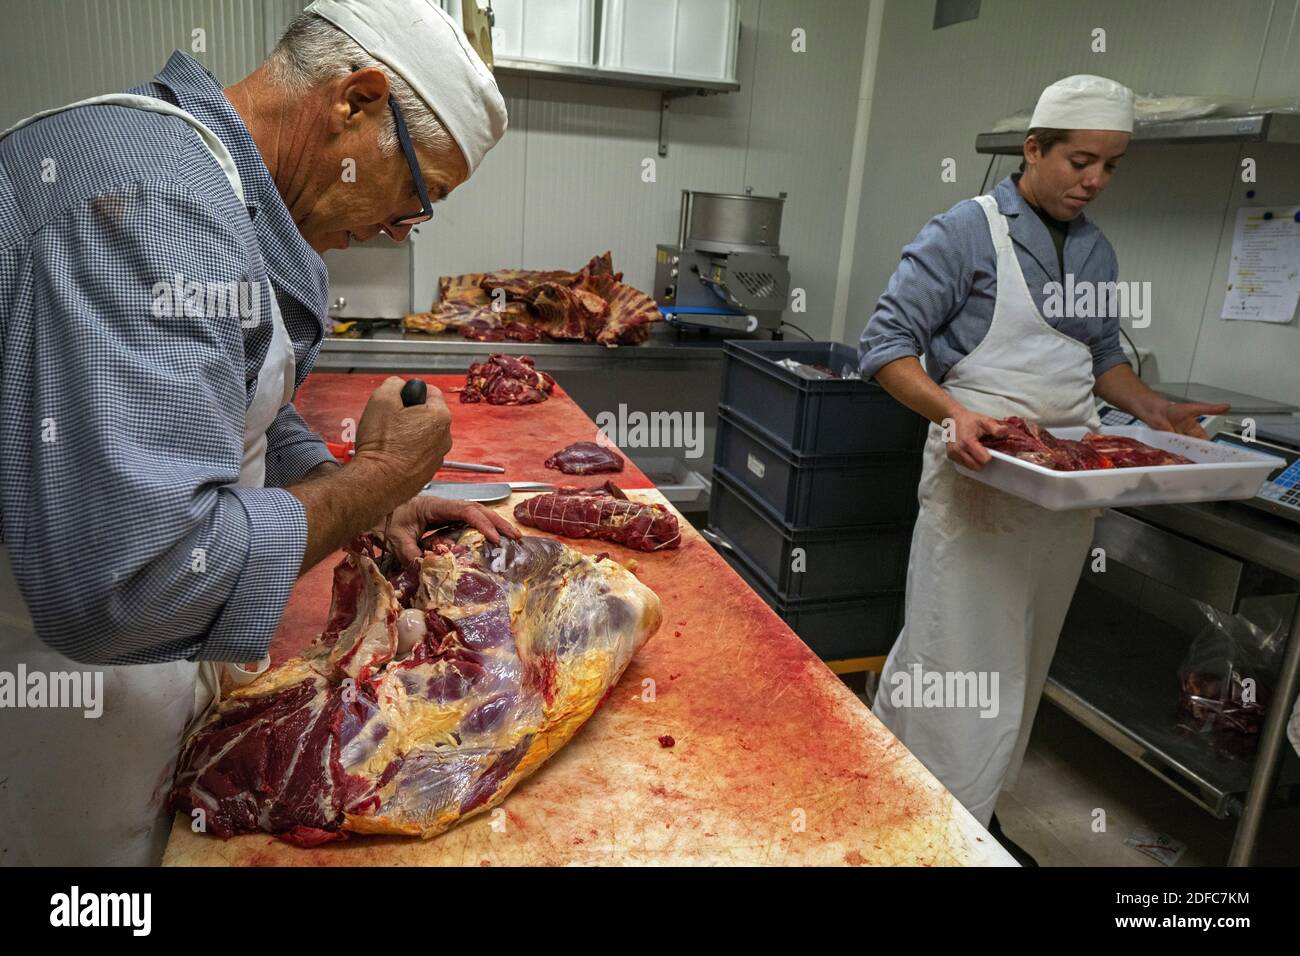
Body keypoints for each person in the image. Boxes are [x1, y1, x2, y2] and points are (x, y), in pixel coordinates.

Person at [0, 0, 518, 865]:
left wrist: (361, 501)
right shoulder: (159, 207)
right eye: (418, 194)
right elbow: (137, 578)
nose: (398, 229)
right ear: (356, 100)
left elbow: (228, 411)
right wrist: (378, 478)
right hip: (58, 717)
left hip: (142, 686)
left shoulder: (200, 175)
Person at [859, 75, 1228, 860]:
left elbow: (1098, 358)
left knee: (1017, 666)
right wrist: (953, 411)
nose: (1095, 181)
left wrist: (1157, 411)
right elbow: (885, 347)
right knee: (954, 658)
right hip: (979, 481)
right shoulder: (964, 231)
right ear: (1035, 149)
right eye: (1081, 161)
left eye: (1112, 166)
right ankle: (928, 831)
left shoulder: (1094, 247)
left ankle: (963, 810)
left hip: (1060, 492)